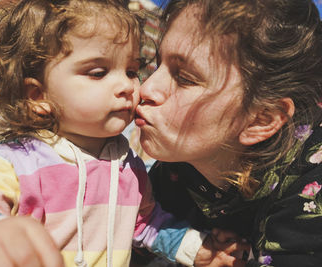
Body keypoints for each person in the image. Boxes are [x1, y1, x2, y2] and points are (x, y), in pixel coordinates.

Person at [0, 0, 248, 266]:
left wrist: (197, 249)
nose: (127, 86)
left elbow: (144, 224)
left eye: (131, 70)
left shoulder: (128, 166)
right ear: (39, 97)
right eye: (98, 72)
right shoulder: (15, 164)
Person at [133, 0, 322, 266]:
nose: (146, 88)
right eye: (156, 64)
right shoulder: (176, 170)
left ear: (260, 119)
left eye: (185, 77)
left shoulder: (311, 193)